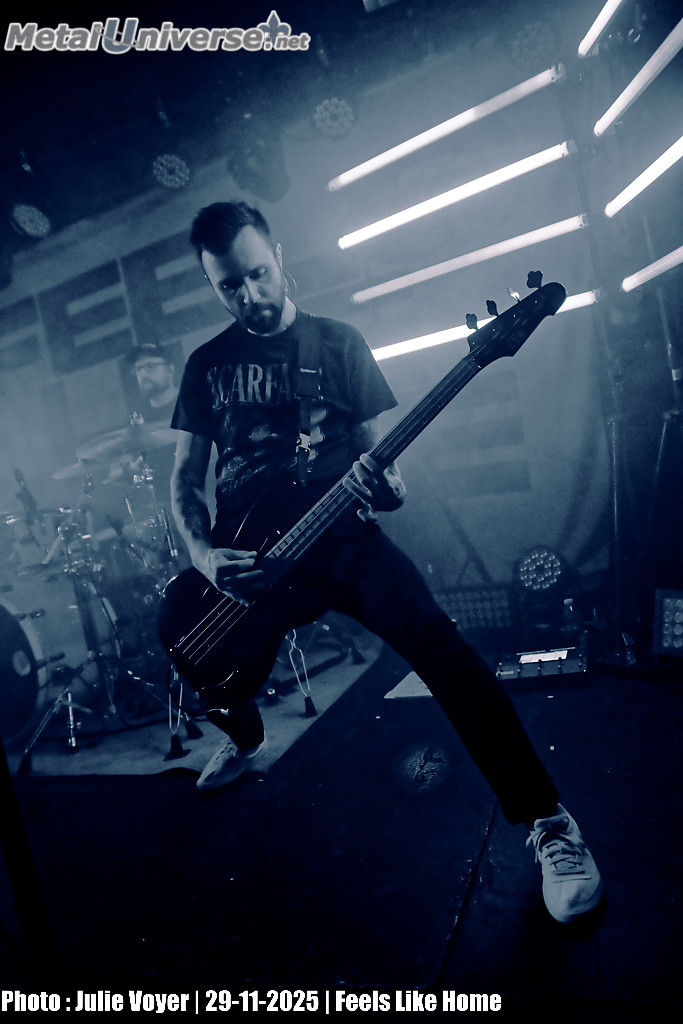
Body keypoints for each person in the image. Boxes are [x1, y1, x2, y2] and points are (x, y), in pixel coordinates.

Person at [169, 201, 603, 925]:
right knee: (205, 656)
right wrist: (205, 555)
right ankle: (243, 735)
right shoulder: (206, 365)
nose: (249, 295)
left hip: (343, 541)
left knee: (447, 656)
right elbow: (185, 481)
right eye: (228, 286)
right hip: (251, 562)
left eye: (257, 274)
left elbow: (386, 468)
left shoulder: (336, 343)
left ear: (279, 257)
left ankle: (549, 822)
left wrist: (388, 486)